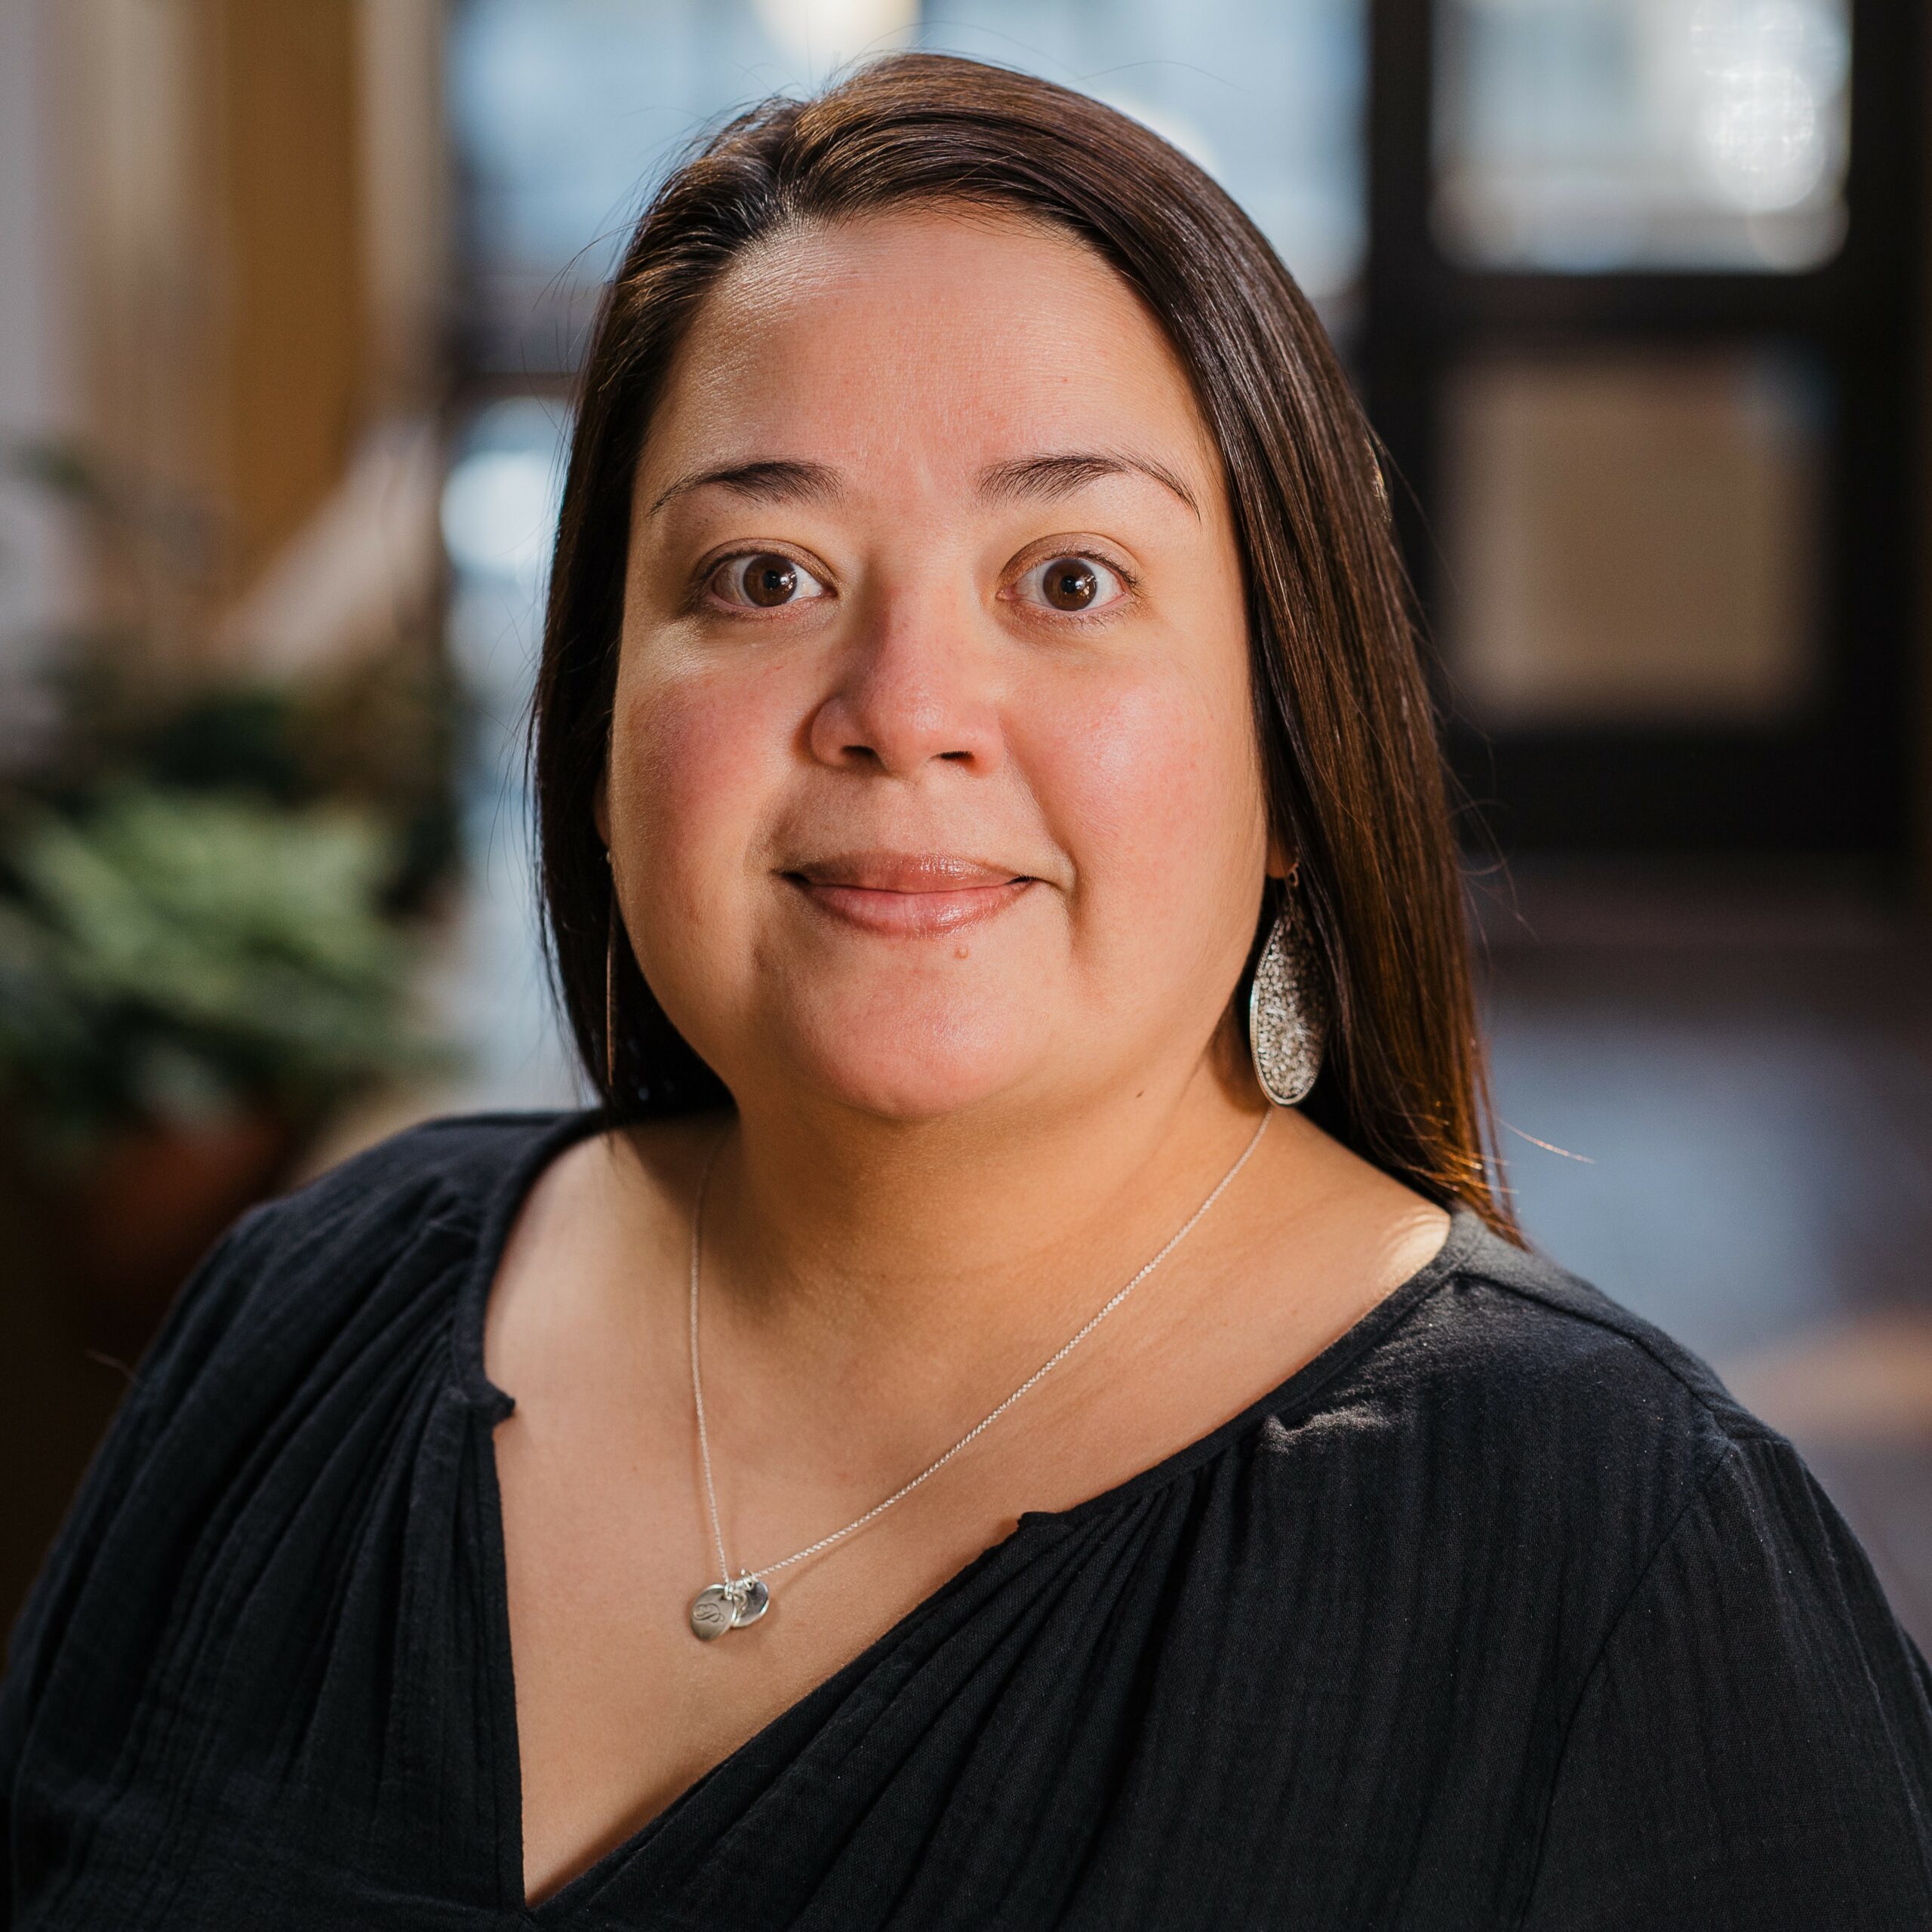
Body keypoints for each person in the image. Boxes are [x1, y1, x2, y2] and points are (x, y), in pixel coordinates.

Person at [4, 51, 1929, 1930]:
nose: (902, 710)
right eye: (762, 575)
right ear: (598, 715)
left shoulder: (1621, 1560)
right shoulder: (307, 1309)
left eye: (1068, 579)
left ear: (1289, 746)